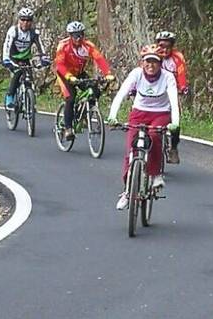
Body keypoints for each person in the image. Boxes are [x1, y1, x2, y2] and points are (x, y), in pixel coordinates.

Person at [106, 44, 179, 210]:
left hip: (160, 113)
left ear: (160, 63)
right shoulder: (137, 74)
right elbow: (121, 94)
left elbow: (174, 102)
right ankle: (127, 191)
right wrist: (112, 115)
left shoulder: (167, 77)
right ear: (142, 63)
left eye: (154, 62)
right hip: (139, 113)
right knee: (131, 150)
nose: (150, 65)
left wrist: (175, 123)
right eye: (147, 61)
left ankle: (156, 175)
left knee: (154, 136)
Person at [54, 21, 115, 140]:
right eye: (75, 35)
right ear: (70, 36)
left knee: (95, 90)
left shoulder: (88, 45)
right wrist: (69, 77)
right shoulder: (63, 45)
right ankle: (68, 128)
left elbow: (99, 59)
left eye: (81, 34)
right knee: (71, 98)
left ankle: (86, 115)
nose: (78, 38)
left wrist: (107, 73)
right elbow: (60, 65)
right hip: (64, 74)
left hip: (79, 73)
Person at [2, 7, 50, 108]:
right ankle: (10, 96)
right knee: (18, 73)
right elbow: (7, 45)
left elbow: (40, 46)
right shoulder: (13, 31)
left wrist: (44, 58)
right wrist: (6, 59)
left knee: (29, 78)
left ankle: (30, 103)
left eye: (28, 20)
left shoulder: (33, 33)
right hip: (12, 58)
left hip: (25, 59)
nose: (25, 22)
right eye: (23, 19)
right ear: (19, 20)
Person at [155, 30, 189, 164]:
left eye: (168, 46)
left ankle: (173, 148)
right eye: (162, 45)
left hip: (172, 91)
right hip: (155, 90)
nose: (165, 49)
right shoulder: (152, 55)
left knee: (175, 119)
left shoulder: (177, 57)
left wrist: (183, 87)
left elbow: (181, 73)